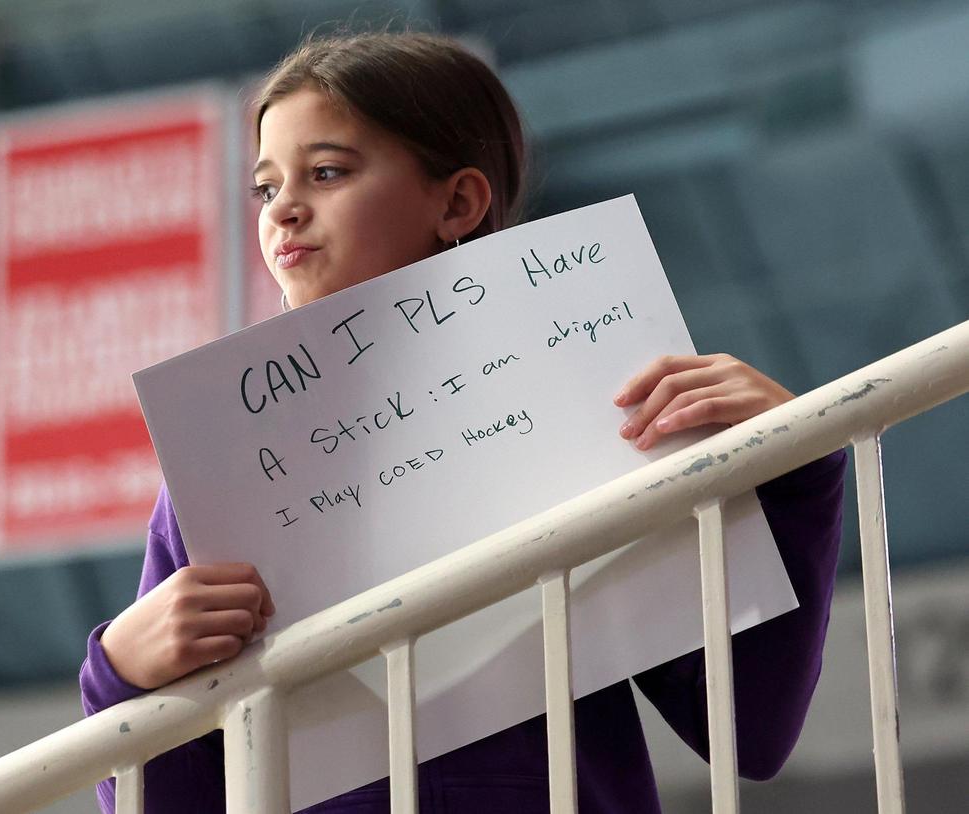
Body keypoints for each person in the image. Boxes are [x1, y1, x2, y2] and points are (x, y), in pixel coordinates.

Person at [80, 30, 846, 813]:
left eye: (327, 171)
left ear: (458, 202)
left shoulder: (607, 414)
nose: (286, 211)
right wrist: (118, 674)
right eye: (266, 188)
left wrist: (797, 469)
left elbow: (749, 731)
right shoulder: (214, 478)